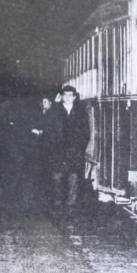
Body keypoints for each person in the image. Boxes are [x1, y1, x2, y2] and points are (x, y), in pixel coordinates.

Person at [53, 85, 90, 216]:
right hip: (58, 149)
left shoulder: (81, 112)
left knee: (73, 176)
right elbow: (49, 128)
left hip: (74, 149)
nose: (68, 97)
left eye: (70, 95)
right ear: (61, 97)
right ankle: (58, 202)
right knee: (57, 176)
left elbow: (86, 132)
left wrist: (80, 148)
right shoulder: (55, 110)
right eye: (65, 95)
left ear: (74, 97)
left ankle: (71, 203)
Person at [28, 93, 61, 211]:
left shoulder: (52, 113)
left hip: (49, 147)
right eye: (42, 102)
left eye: (46, 102)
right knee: (41, 171)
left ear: (50, 103)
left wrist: (41, 132)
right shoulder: (42, 113)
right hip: (41, 146)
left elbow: (52, 129)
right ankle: (42, 197)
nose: (43, 104)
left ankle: (48, 198)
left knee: (48, 172)